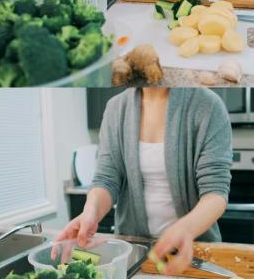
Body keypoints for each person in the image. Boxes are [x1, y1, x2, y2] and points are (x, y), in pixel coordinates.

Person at [55, 88, 233, 275]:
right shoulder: (116, 108)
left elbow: (215, 192)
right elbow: (106, 179)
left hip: (195, 254)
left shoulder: (208, 104)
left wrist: (185, 230)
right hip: (134, 254)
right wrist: (91, 211)